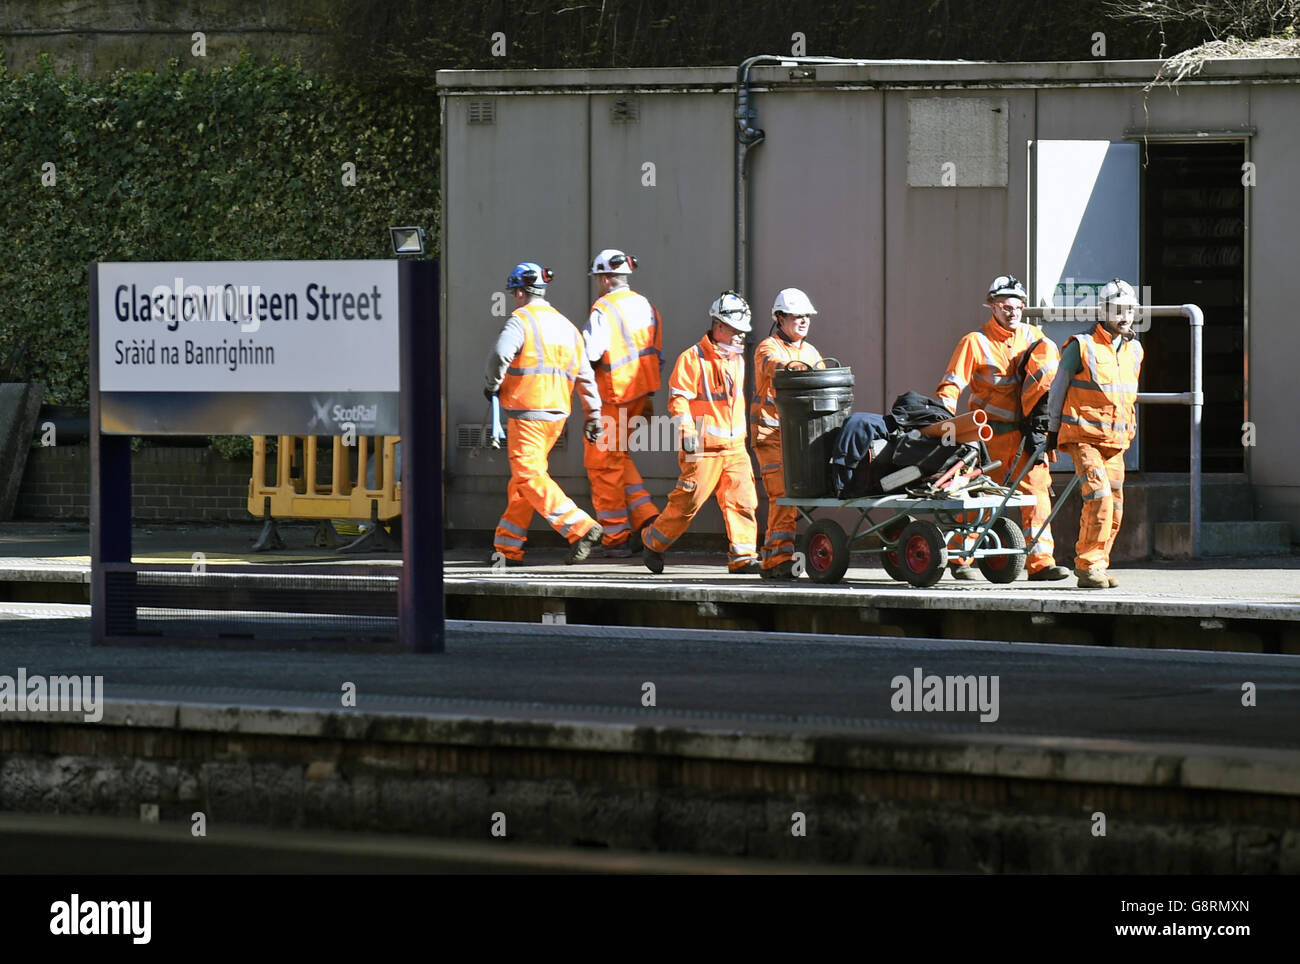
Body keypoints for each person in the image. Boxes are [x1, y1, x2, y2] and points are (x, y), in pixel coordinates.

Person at [936, 274, 1071, 581]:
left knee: (1037, 495)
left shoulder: (1036, 339)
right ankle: (961, 558)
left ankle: (1041, 563)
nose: (1012, 312)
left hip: (1025, 436)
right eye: (1005, 306)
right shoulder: (975, 342)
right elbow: (951, 386)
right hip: (987, 437)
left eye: (1017, 306)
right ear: (992, 307)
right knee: (978, 497)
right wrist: (945, 426)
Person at [484, 262, 604, 566]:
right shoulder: (568, 327)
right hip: (557, 415)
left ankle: (581, 528)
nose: (513, 298)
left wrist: (492, 385)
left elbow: (500, 355)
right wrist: (593, 415)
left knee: (528, 475)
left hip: (527, 412)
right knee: (525, 480)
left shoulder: (520, 320)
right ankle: (507, 549)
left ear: (521, 292)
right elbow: (585, 376)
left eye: (514, 293)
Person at [642, 292, 760, 575]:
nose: (741, 337)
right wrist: (687, 432)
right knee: (687, 504)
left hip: (734, 448)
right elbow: (678, 399)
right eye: (736, 331)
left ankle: (743, 557)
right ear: (719, 326)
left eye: (744, 332)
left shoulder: (736, 360)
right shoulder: (692, 358)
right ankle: (653, 542)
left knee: (743, 501)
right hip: (703, 448)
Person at [1046, 279, 1144, 589]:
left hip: (1116, 442)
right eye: (1118, 310)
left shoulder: (1135, 349)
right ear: (1104, 311)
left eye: (1129, 310)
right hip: (1084, 436)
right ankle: (1087, 567)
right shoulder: (1081, 345)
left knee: (1115, 504)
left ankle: (1098, 565)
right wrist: (1051, 429)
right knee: (1099, 497)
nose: (1125, 316)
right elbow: (1057, 388)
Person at [582, 249, 663, 556]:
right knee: (618, 459)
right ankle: (646, 517)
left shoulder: (604, 308)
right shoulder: (647, 306)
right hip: (640, 396)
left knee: (602, 466)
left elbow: (589, 354)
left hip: (612, 398)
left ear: (604, 279)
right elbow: (656, 354)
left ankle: (615, 537)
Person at [751, 288, 824, 580]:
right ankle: (779, 559)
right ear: (779, 319)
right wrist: (796, 367)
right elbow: (775, 367)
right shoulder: (768, 348)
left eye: (807, 316)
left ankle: (773, 558)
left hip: (797, 437)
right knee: (782, 494)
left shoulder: (811, 351)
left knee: (792, 495)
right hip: (770, 435)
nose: (804, 321)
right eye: (797, 316)